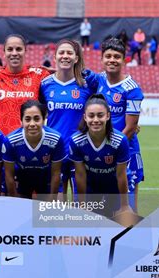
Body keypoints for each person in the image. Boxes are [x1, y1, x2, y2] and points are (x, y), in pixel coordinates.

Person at [93, 38, 145, 211]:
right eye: (108, 56)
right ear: (102, 59)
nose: (112, 60)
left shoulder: (132, 89)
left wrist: (111, 149)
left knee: (128, 209)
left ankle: (131, 236)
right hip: (102, 151)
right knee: (105, 208)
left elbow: (130, 127)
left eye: (117, 56)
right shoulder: (98, 80)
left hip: (125, 152)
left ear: (124, 60)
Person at [39, 39, 95, 196]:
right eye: (61, 52)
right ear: (55, 56)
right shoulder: (45, 84)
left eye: (69, 53)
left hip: (80, 150)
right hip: (54, 150)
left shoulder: (86, 85)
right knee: (57, 203)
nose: (65, 56)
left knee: (81, 203)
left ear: (76, 58)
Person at [69, 94, 132, 217]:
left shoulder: (120, 140)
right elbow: (80, 174)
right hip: (91, 185)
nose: (96, 120)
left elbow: (121, 175)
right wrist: (82, 205)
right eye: (91, 116)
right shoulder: (76, 141)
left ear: (108, 116)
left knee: (118, 221)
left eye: (100, 115)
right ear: (85, 117)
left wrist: (124, 205)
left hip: (114, 186)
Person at [0, 34, 50, 135]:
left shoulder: (39, 74)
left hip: (29, 141)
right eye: (10, 49)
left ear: (25, 51)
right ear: (4, 52)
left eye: (19, 49)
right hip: (3, 141)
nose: (14, 53)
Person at [3, 100, 65, 200]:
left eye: (37, 119)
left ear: (44, 119)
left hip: (46, 179)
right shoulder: (10, 141)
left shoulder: (56, 139)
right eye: (27, 119)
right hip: (22, 179)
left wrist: (52, 201)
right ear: (21, 121)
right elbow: (8, 174)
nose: (32, 124)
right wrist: (14, 202)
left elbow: (56, 173)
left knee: (56, 206)